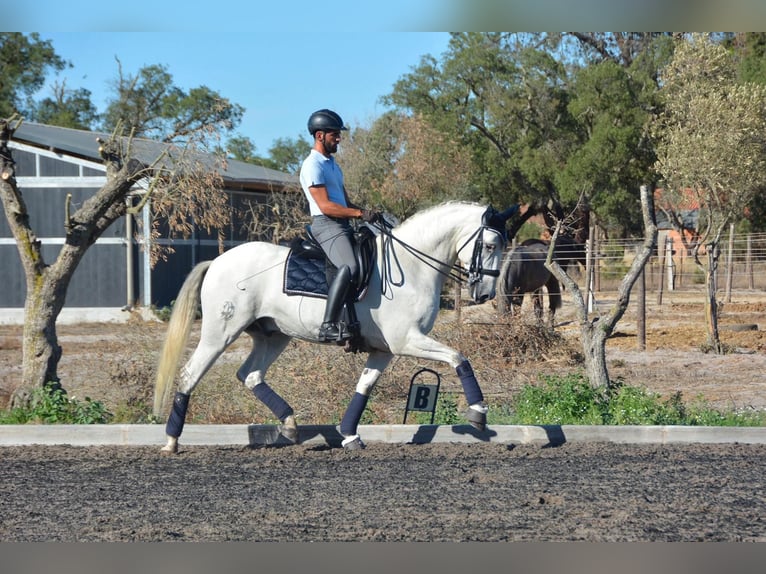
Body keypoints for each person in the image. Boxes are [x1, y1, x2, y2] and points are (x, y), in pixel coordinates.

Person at [299, 109, 379, 342]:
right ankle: (328, 325)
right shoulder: (312, 165)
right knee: (350, 267)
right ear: (320, 135)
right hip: (326, 225)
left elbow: (343, 202)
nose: (339, 138)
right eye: (335, 134)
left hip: (342, 223)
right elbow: (325, 206)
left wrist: (367, 213)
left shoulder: (333, 165)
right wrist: (359, 213)